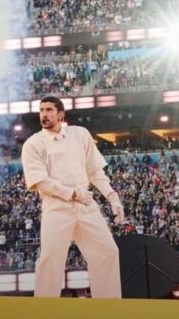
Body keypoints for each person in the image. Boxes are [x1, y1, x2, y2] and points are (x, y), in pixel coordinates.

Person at [21, 96, 124, 298]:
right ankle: (44, 308)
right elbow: (41, 181)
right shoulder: (33, 144)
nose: (44, 114)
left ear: (60, 114)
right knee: (50, 259)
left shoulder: (80, 134)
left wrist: (112, 196)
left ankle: (109, 304)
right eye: (41, 110)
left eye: (49, 110)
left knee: (107, 252)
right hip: (56, 205)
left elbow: (94, 170)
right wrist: (72, 193)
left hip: (85, 203)